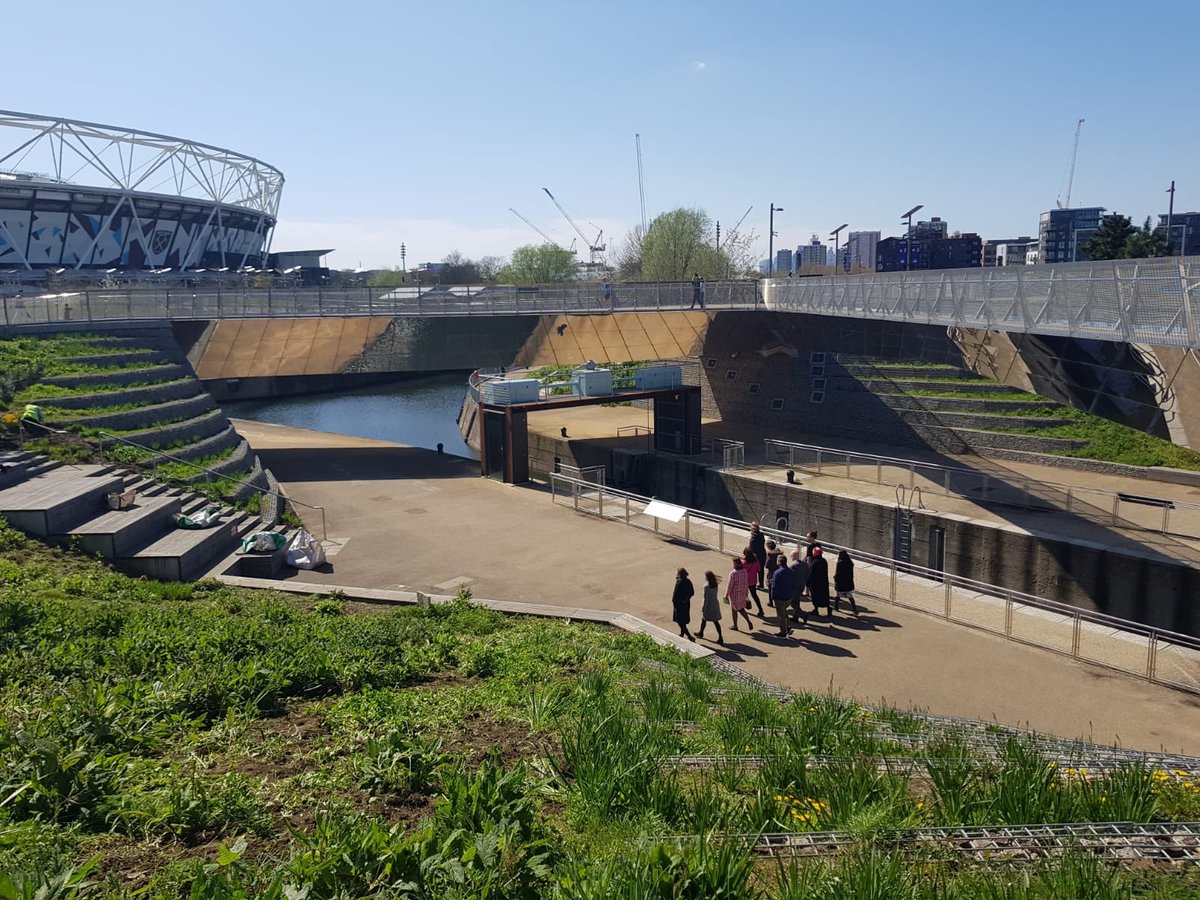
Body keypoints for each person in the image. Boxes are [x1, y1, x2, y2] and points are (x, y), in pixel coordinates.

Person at [725, 557, 754, 631]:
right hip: (742, 593)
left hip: (734, 594)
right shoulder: (744, 571)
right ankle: (748, 621)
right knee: (741, 609)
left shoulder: (733, 573)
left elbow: (730, 585)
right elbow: (746, 583)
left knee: (734, 610)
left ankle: (735, 625)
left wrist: (726, 595)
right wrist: (746, 594)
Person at [769, 554, 796, 636]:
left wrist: (772, 596)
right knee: (784, 611)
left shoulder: (777, 573)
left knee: (780, 615)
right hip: (788, 596)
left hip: (779, 597)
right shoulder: (791, 571)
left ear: (779, 562)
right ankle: (788, 626)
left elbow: (774, 586)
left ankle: (783, 632)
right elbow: (793, 583)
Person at [697, 570, 724, 644]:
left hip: (709, 605)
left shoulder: (706, 586)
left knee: (704, 619)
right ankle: (720, 636)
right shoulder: (715, 584)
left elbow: (706, 599)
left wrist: (703, 607)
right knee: (715, 621)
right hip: (715, 603)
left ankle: (701, 633)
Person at [672, 567, 696, 642]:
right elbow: (692, 592)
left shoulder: (679, 582)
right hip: (686, 604)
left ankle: (689, 637)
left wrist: (674, 604)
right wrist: (687, 599)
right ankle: (682, 634)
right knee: (683, 620)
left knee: (680, 622)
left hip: (679, 605)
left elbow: (675, 595)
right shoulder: (688, 581)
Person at [808, 546, 832, 619]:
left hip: (815, 583)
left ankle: (816, 610)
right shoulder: (824, 561)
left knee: (815, 596)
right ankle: (828, 609)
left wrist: (808, 582)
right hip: (824, 582)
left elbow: (811, 573)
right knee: (825, 596)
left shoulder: (814, 563)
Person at [788, 550, 811, 628]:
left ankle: (803, 615)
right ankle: (795, 617)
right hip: (801, 585)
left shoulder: (793, 565)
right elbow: (807, 575)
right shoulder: (805, 565)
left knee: (792, 602)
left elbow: (790, 576)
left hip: (794, 586)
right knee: (796, 601)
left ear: (794, 557)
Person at [834, 549, 858, 616]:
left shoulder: (840, 563)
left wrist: (835, 578)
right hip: (849, 583)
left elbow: (837, 574)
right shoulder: (850, 562)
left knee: (838, 595)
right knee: (850, 597)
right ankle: (855, 609)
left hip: (841, 583)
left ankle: (836, 607)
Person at [742, 548, 765, 617]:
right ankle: (760, 609)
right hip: (753, 580)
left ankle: (742, 607)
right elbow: (759, 570)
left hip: (745, 581)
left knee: (743, 594)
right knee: (754, 595)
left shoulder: (743, 562)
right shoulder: (756, 561)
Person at [748, 522, 767, 589]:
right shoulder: (761, 534)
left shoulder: (753, 537)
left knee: (752, 569)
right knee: (761, 570)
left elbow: (751, 548)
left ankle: (751, 582)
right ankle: (761, 584)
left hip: (756, 555)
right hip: (762, 554)